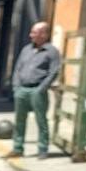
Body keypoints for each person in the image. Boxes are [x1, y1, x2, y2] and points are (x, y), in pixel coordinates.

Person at [11, 21, 61, 159]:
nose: (30, 35)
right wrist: (16, 87)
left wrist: (42, 88)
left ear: (44, 34)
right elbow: (18, 68)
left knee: (41, 121)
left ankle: (43, 149)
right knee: (19, 120)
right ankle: (17, 148)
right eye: (32, 32)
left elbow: (54, 71)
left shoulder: (51, 51)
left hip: (37, 90)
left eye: (34, 32)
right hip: (22, 89)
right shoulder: (26, 49)